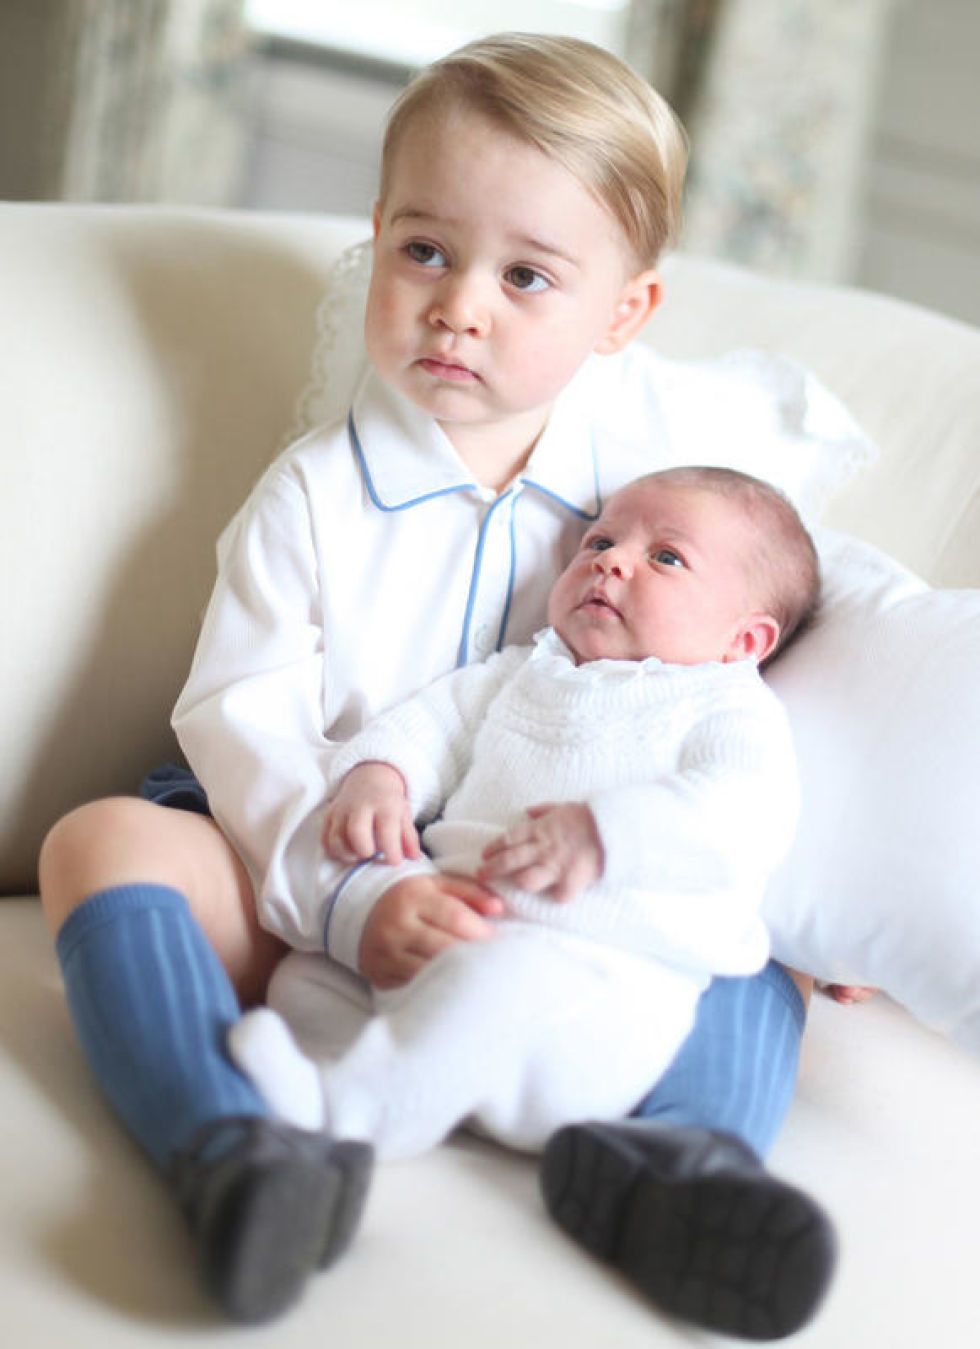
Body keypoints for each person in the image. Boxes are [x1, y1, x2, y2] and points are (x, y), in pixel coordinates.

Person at [38, 32, 834, 1337]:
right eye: (425, 252)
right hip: (312, 868)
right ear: (379, 240)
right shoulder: (315, 494)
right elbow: (241, 714)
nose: (460, 304)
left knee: (760, 957)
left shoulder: (657, 494)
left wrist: (831, 892)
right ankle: (234, 1148)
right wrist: (357, 896)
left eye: (528, 275)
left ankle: (680, 1166)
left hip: (563, 904)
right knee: (102, 841)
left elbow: (775, 641)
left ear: (623, 315)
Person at [228, 466, 817, 1177]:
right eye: (599, 539)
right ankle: (352, 1067)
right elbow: (430, 725)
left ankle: (343, 1117)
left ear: (745, 640)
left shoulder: (724, 707)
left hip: (586, 990)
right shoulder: (522, 669)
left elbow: (742, 815)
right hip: (448, 939)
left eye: (667, 557)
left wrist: (605, 834)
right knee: (310, 975)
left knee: (498, 983)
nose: (611, 559)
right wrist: (378, 776)